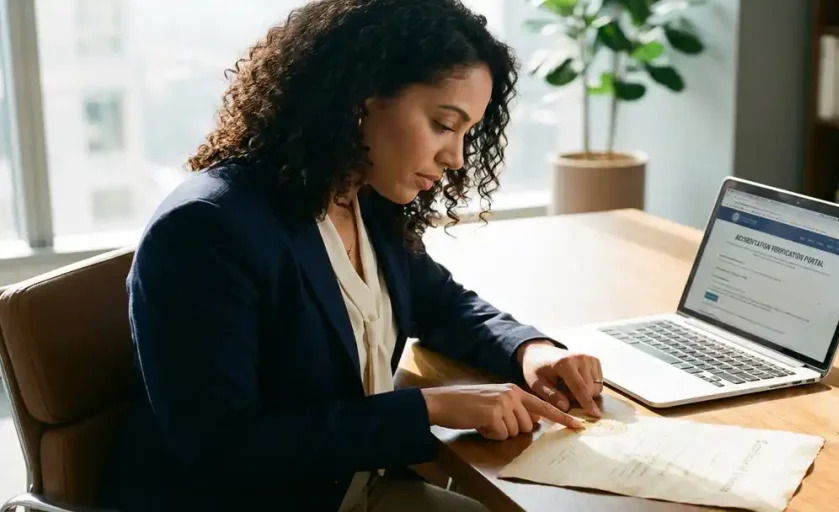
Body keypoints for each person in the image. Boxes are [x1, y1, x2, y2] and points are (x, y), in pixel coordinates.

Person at [99, 1, 607, 511]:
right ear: (359, 98)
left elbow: (444, 304)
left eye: (467, 132)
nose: (455, 159)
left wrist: (533, 351)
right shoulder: (208, 230)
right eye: (443, 124)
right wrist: (426, 407)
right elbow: (221, 449)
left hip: (351, 488)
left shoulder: (362, 198)